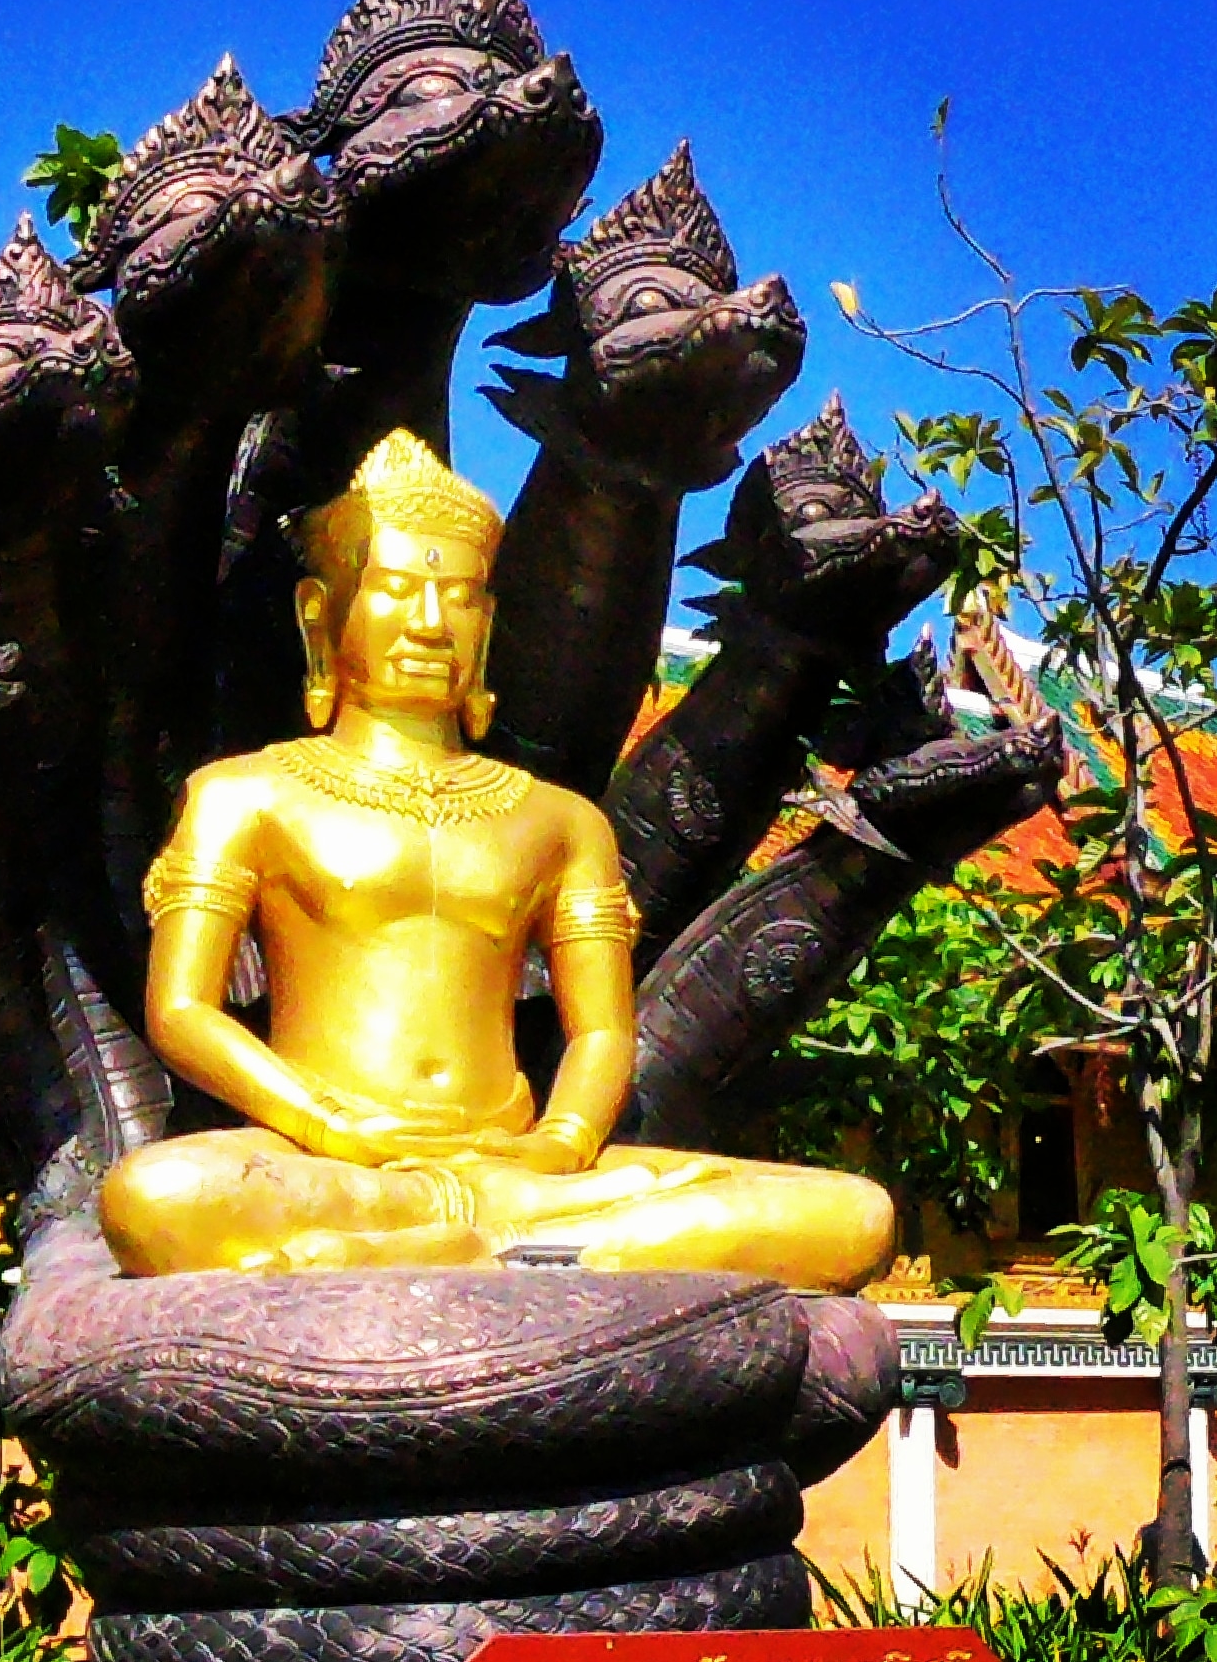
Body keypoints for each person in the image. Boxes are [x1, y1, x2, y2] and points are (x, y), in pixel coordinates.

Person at [99, 428, 895, 1286]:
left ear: (487, 620)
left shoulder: (558, 820)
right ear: (319, 613)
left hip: (518, 1171)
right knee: (156, 1192)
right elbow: (181, 1008)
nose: (431, 622)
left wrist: (558, 1143)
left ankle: (475, 1243)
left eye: (462, 595)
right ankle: (505, 1247)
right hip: (329, 1166)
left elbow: (600, 1031)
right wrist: (331, 1126)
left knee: (854, 1215)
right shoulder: (245, 794)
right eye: (399, 591)